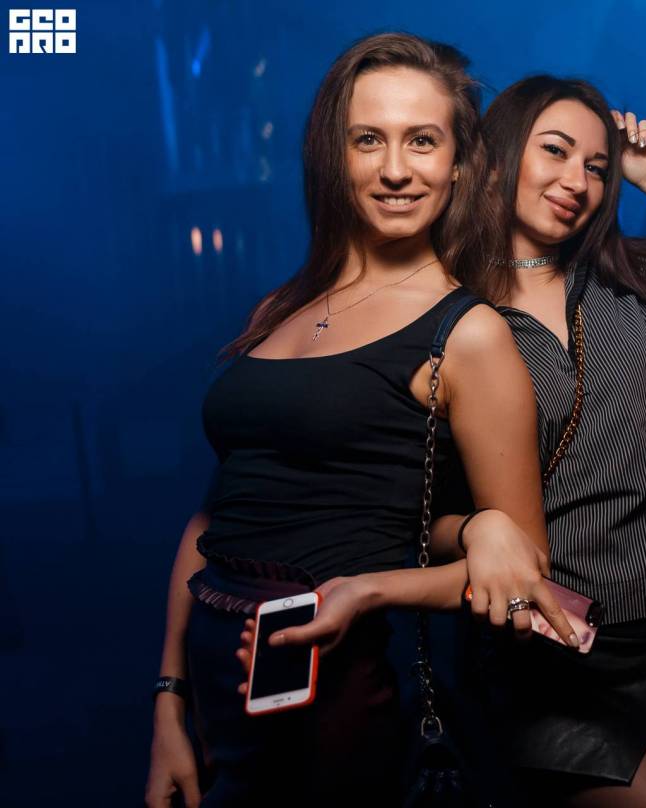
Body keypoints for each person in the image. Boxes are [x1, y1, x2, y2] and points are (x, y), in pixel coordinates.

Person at [144, 33, 574, 808]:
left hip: (344, 693)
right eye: (368, 139)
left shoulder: (467, 333)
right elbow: (212, 517)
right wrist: (169, 705)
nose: (396, 169)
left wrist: (370, 592)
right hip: (216, 691)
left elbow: (523, 570)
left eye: (423, 140)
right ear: (331, 156)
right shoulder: (278, 308)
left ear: (459, 163)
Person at [433, 75, 646, 807]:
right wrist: (476, 531)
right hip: (548, 666)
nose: (576, 182)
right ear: (498, 156)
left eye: (596, 166)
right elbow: (410, 513)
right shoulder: (447, 318)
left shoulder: (641, 278)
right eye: (555, 151)